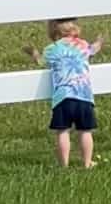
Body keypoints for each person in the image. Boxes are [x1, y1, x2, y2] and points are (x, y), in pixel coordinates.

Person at [23, 19, 104, 169]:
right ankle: (87, 163)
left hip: (62, 98)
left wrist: (33, 53)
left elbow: (41, 62)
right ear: (75, 28)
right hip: (84, 96)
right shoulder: (83, 45)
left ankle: (64, 165)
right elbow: (94, 49)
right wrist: (100, 41)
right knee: (85, 132)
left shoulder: (51, 49)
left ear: (53, 31)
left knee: (62, 132)